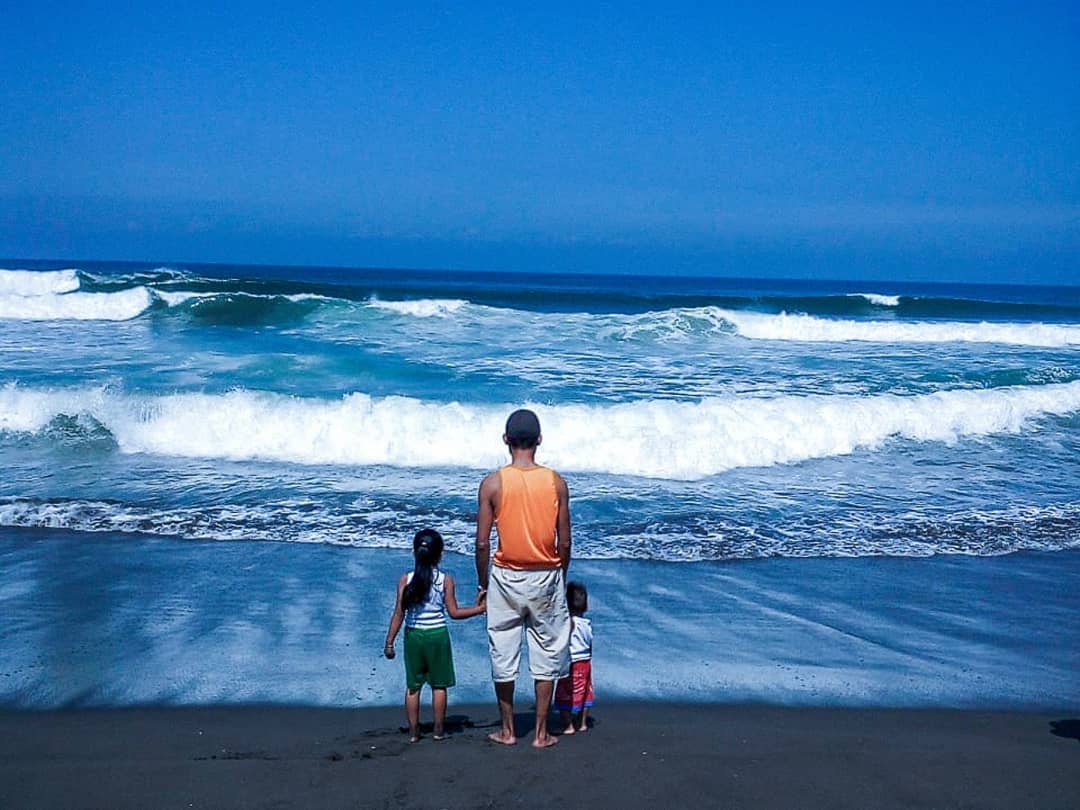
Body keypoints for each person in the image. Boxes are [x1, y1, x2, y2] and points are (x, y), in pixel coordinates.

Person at [476, 408, 572, 748]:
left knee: (503, 650)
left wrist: (483, 583)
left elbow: (483, 543)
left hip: (506, 576)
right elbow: (564, 541)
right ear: (539, 440)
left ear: (506, 439)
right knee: (547, 650)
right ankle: (542, 733)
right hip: (546, 573)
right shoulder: (556, 482)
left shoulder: (493, 483)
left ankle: (508, 730)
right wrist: (560, 574)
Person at [384, 528, 485, 743]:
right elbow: (454, 613)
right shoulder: (445, 580)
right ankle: (439, 731)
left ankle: (414, 732)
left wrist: (389, 642)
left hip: (413, 635)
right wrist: (479, 609)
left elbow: (399, 613)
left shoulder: (406, 580)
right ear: (440, 555)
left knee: (413, 687)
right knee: (439, 686)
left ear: (414, 552)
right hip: (437, 635)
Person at [553, 581, 594, 735]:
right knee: (585, 691)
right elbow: (589, 644)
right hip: (585, 662)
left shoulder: (569, 623)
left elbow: (563, 640)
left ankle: (569, 725)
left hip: (571, 662)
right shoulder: (587, 624)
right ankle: (582, 723)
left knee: (565, 692)